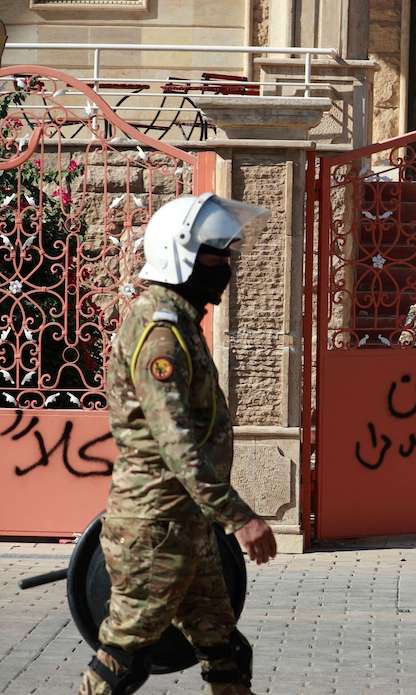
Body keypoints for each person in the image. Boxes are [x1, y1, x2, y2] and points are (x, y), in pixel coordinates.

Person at [78, 193, 277, 695]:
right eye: (218, 253)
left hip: (186, 524)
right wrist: (241, 517)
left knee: (224, 650)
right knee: (125, 657)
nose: (226, 264)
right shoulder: (160, 332)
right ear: (181, 254)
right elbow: (176, 442)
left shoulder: (180, 321)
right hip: (155, 525)